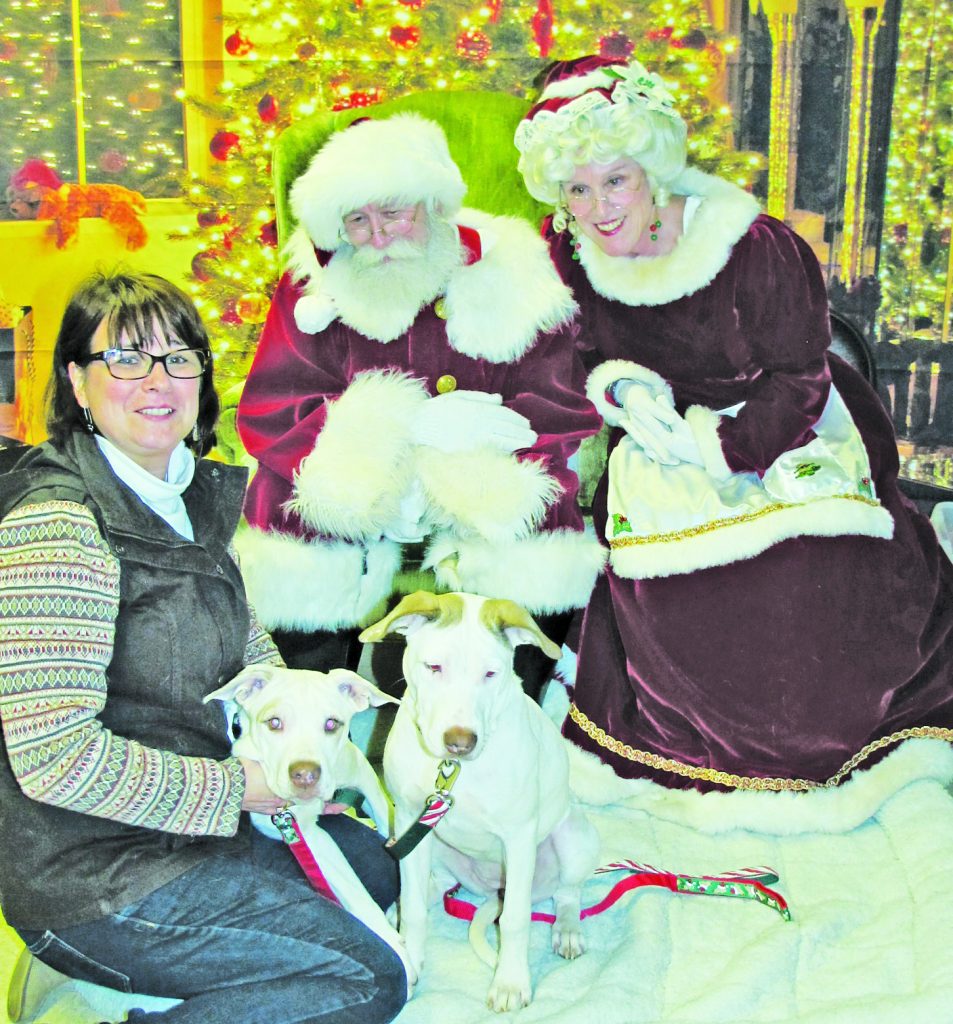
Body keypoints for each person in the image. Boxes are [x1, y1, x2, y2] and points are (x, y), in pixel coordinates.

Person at [513, 55, 953, 791]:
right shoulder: (566, 254)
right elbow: (573, 355)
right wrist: (624, 390)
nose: (598, 208)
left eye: (616, 180)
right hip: (657, 436)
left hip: (784, 427)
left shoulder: (751, 246)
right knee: (678, 597)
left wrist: (720, 450)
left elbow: (800, 377)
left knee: (806, 584)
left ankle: (815, 746)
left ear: (653, 171)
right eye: (577, 190)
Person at [0, 271, 406, 1024]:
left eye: (177, 357)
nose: (157, 380)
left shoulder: (184, 498)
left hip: (187, 829)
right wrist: (239, 788)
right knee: (365, 980)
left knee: (374, 870)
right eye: (126, 358)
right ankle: (90, 968)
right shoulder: (59, 525)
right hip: (94, 871)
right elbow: (53, 758)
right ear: (78, 382)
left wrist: (298, 734)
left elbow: (246, 644)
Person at [235, 113, 605, 696]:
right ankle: (309, 707)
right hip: (357, 477)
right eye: (357, 220)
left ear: (432, 202)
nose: (378, 236)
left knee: (533, 517)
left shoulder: (511, 265)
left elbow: (560, 397)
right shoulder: (313, 283)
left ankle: (513, 699)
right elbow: (273, 404)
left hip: (487, 470)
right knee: (291, 511)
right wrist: (394, 436)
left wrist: (479, 450)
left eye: (392, 212)